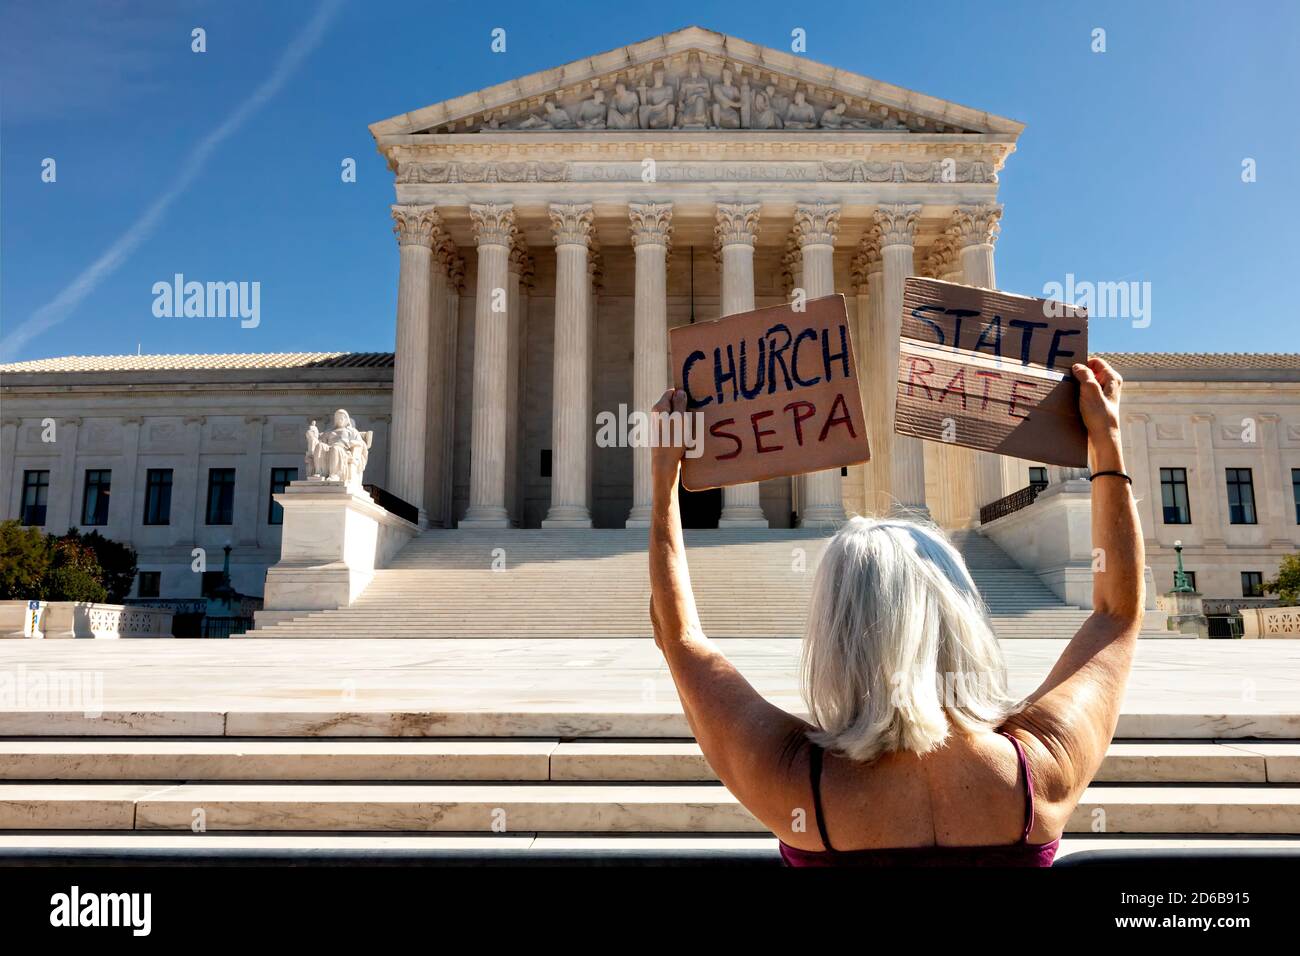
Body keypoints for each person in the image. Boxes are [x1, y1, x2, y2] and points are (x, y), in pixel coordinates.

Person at [647, 357, 1142, 866]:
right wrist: (1106, 441)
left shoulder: (794, 781)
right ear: (963, 612)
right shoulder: (1040, 770)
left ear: (836, 633)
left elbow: (679, 637)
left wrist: (664, 483)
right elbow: (1116, 615)